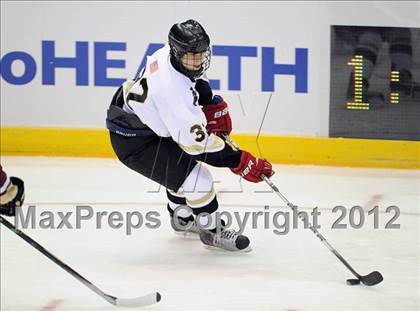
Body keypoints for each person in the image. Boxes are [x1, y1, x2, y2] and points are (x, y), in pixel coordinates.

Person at [106, 19, 273, 252]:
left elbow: (195, 81)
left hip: (143, 121)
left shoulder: (168, 54)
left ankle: (182, 218)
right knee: (198, 180)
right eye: (190, 56)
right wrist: (241, 161)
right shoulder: (171, 93)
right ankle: (212, 232)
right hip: (135, 142)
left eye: (201, 53)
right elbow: (200, 146)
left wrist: (207, 102)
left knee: (181, 169)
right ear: (177, 51)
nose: (197, 60)